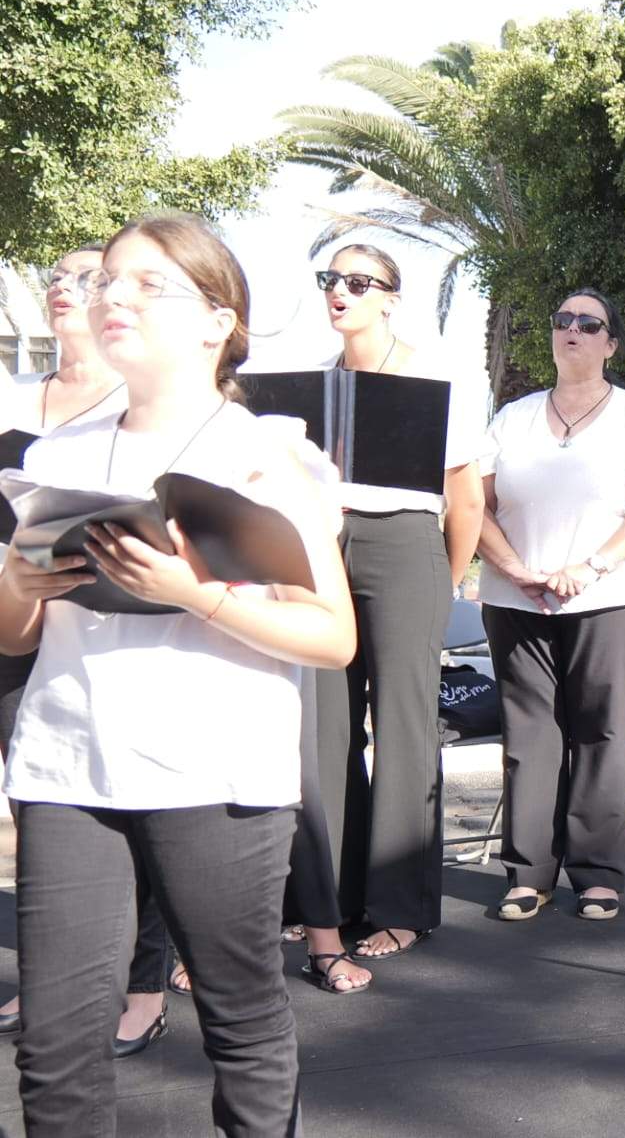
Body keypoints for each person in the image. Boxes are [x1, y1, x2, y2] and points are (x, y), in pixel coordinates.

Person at [0, 211, 355, 1135]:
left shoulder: (267, 456)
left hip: (217, 771)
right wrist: (19, 581)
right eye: (106, 280)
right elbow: (13, 638)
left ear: (217, 321)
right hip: (67, 767)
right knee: (55, 1043)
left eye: (147, 283)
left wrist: (193, 592)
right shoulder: (54, 456)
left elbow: (331, 636)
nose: (112, 296)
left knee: (239, 1020)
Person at [0, 245, 172, 1051]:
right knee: (43, 809)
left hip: (105, 624)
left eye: (86, 278)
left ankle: (142, 984)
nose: (67, 290)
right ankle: (52, 984)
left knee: (130, 811)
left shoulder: (130, 401)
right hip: (18, 612)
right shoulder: (16, 395)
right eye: (57, 279)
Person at [478, 290, 625, 921]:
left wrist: (590, 567)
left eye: (588, 323)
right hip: (517, 599)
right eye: (562, 321)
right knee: (529, 738)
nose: (572, 330)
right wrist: (515, 567)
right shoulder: (512, 418)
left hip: (610, 599)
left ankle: (598, 874)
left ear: (610, 343)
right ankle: (527, 872)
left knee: (601, 733)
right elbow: (471, 505)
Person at [307, 243, 487, 962]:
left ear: (390, 297)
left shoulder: (434, 376)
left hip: (408, 547)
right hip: (322, 551)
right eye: (331, 280)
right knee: (326, 730)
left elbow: (466, 500)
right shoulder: (314, 386)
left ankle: (401, 904)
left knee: (406, 729)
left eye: (358, 281)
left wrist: (442, 581)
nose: (340, 292)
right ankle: (328, 901)